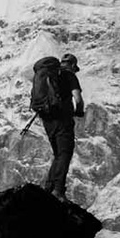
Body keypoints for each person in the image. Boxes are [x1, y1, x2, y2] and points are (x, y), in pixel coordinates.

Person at [30, 53, 87, 200]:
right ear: (73, 66)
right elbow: (78, 99)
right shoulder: (69, 76)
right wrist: (79, 111)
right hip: (63, 119)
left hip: (47, 119)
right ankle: (58, 190)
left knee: (57, 154)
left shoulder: (49, 74)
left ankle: (49, 188)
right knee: (65, 154)